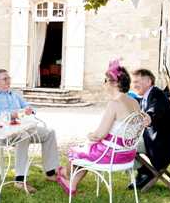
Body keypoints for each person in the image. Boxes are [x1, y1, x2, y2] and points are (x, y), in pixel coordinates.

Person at [56, 60, 144, 194]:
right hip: (128, 154)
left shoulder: (114, 103)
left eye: (106, 80)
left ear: (114, 83)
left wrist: (91, 135)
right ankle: (71, 184)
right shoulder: (134, 102)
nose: (104, 84)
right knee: (86, 148)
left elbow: (100, 135)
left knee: (77, 150)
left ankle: (65, 174)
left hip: (111, 156)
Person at [0, 69, 59, 193]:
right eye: (5, 79)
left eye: (9, 78)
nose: (8, 81)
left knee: (50, 132)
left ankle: (50, 172)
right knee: (24, 136)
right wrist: (10, 115)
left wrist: (30, 110)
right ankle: (20, 180)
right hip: (5, 133)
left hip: (23, 128)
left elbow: (28, 106)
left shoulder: (15, 95)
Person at [130, 68, 170, 189]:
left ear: (148, 81)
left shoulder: (157, 95)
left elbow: (155, 111)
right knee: (125, 140)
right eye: (133, 82)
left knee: (126, 145)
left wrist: (149, 118)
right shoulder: (147, 96)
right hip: (155, 139)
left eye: (137, 82)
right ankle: (144, 172)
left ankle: (146, 172)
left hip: (161, 144)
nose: (134, 85)